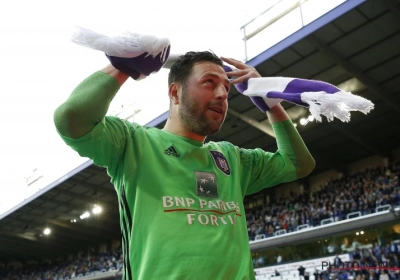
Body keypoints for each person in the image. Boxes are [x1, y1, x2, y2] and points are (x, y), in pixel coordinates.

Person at [54, 51, 315, 280]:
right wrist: (124, 66)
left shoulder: (233, 158)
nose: (223, 94)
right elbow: (71, 118)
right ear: (175, 92)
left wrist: (271, 104)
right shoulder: (133, 143)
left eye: (226, 87)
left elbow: (298, 164)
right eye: (209, 83)